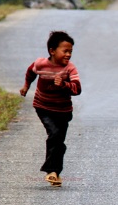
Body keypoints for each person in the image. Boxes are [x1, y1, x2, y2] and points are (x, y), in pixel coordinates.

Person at [20, 31, 82, 187]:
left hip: (63, 111)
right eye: (65, 51)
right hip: (43, 107)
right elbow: (30, 72)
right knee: (54, 134)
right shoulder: (41, 64)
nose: (68, 55)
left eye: (71, 52)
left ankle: (55, 173)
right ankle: (51, 171)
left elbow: (77, 89)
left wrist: (64, 85)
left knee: (58, 141)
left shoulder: (70, 69)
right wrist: (26, 86)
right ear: (52, 51)